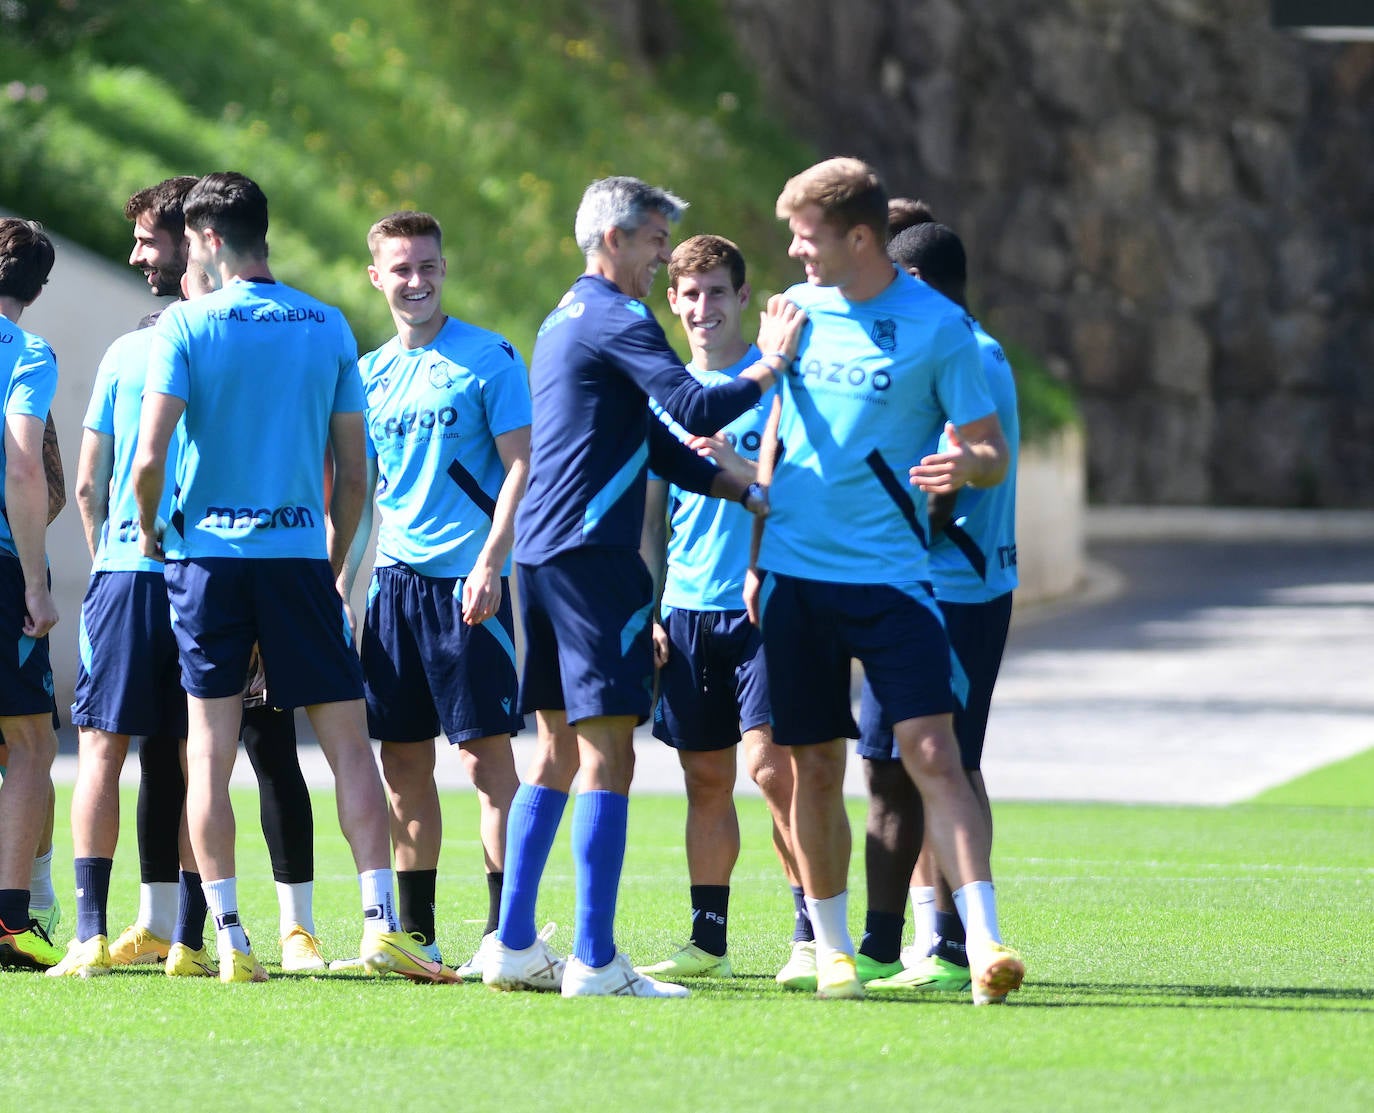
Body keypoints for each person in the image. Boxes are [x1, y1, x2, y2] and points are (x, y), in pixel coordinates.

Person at [484, 175, 803, 998]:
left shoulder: (564, 316)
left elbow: (652, 441)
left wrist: (745, 491)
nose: (665, 256)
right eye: (658, 238)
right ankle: (595, 959)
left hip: (542, 557)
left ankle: (513, 943)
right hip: (595, 563)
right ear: (616, 238)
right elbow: (695, 401)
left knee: (554, 750)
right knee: (608, 755)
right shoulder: (620, 316)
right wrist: (771, 363)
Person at [132, 171, 453, 984]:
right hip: (301, 561)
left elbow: (147, 457)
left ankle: (232, 938)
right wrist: (337, 557)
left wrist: (152, 527)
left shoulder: (187, 324)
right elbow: (355, 470)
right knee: (348, 745)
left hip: (208, 561)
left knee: (208, 751)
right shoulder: (328, 324)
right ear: (262, 233)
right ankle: (381, 923)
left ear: (205, 239)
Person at [747, 156, 1024, 1003]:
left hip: (896, 580)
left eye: (806, 239)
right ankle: (834, 950)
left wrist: (960, 465)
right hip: (796, 578)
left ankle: (979, 942)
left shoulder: (938, 327)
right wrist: (755, 551)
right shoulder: (792, 318)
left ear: (859, 238)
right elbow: (775, 434)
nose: (795, 254)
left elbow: (990, 448)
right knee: (812, 764)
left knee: (935, 752)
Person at [73, 177, 327, 976]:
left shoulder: (203, 335)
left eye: (151, 239)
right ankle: (177, 928)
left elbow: (105, 476)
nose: (139, 255)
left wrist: (129, 543)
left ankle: (264, 926)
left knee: (232, 745)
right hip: (206, 564)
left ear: (196, 240)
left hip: (197, 565)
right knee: (177, 749)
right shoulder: (160, 339)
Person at [337, 210, 526, 978]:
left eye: (430, 268)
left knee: (487, 764)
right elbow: (357, 487)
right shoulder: (368, 370)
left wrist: (491, 561)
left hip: (467, 585)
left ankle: (506, 932)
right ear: (376, 276)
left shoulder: (489, 357)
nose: (417, 282)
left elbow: (522, 466)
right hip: (393, 588)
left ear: (445, 270)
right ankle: (416, 934)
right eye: (402, 269)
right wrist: (339, 579)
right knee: (402, 764)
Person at [632, 234, 812, 984]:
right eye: (690, 294)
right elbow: (644, 520)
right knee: (706, 779)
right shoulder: (662, 393)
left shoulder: (776, 383)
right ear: (672, 302)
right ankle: (710, 939)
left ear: (743, 298)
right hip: (685, 613)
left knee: (773, 771)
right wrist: (645, 608)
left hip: (765, 605)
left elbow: (802, 495)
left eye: (717, 293)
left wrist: (743, 472)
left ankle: (813, 932)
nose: (704, 307)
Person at [862, 221, 1021, 994]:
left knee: (941, 765)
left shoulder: (967, 354)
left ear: (918, 284)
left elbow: (945, 475)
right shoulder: (978, 347)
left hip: (953, 591)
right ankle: (938, 938)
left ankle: (954, 944)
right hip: (959, 587)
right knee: (939, 766)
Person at [0, 216, 64, 971]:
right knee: (30, 742)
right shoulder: (27, 350)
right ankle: (12, 919)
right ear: (39, 286)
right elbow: (23, 467)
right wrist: (37, 581)